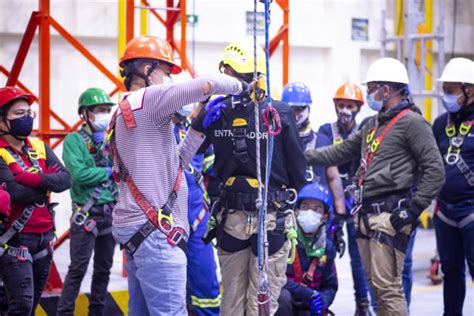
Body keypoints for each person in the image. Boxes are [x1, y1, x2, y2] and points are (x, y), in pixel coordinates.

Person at [108, 36, 245, 315]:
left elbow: (177, 162)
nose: (169, 80)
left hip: (138, 231)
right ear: (147, 68)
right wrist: (243, 87)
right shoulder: (148, 99)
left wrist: (196, 129)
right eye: (167, 72)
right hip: (157, 235)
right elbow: (206, 84)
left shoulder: (126, 110)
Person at [304, 57, 445, 316]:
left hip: (390, 216)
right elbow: (342, 151)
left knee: (389, 289)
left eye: (371, 88)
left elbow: (435, 171)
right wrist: (304, 155)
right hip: (366, 216)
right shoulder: (373, 125)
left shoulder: (413, 123)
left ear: (386, 90)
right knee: (376, 289)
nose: (370, 94)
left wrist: (413, 210)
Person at [179, 41, 307, 315]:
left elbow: (188, 154)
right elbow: (298, 172)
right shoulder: (278, 112)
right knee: (261, 303)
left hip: (233, 218)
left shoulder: (217, 113)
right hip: (268, 217)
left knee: (232, 302)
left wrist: (200, 119)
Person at [0, 86, 71, 315]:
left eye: (29, 112)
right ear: (2, 120)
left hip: (44, 239)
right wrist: (45, 183)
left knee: (29, 308)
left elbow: (65, 179)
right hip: (14, 239)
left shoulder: (39, 147)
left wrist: (28, 178)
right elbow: (14, 191)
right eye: (19, 113)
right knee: (20, 307)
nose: (27, 118)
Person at [57, 88, 118, 315]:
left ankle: (97, 312)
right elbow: (79, 175)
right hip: (87, 215)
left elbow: (122, 168)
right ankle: (64, 313)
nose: (105, 114)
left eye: (107, 110)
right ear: (85, 113)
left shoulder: (112, 139)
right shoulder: (74, 141)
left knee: (104, 269)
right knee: (77, 269)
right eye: (100, 110)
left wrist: (108, 163)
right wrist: (109, 172)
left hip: (110, 213)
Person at [318, 83, 372, 315]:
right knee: (322, 251)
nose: (345, 110)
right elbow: (326, 166)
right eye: (341, 105)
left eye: (349, 106)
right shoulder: (326, 131)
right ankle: (316, 298)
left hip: (357, 204)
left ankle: (363, 303)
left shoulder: (365, 133)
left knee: (358, 258)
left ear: (358, 108)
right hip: (331, 205)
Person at [432, 57, 474, 315]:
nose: (446, 96)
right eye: (444, 90)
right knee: (451, 273)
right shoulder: (440, 124)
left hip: (472, 211)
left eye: (451, 90)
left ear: (469, 90)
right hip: (444, 212)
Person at [173, 106, 221, 315]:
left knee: (206, 279)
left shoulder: (196, 132)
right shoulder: (156, 132)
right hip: (168, 221)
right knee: (171, 288)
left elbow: (214, 171)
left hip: (198, 219)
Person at [276, 182, 338, 316]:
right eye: (305, 207)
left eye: (317, 209)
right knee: (282, 297)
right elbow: (275, 279)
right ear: (296, 211)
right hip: (287, 305)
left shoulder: (327, 247)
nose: (310, 213)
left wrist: (323, 300)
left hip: (310, 306)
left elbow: (330, 286)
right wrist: (309, 294)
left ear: (325, 217)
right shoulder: (284, 238)